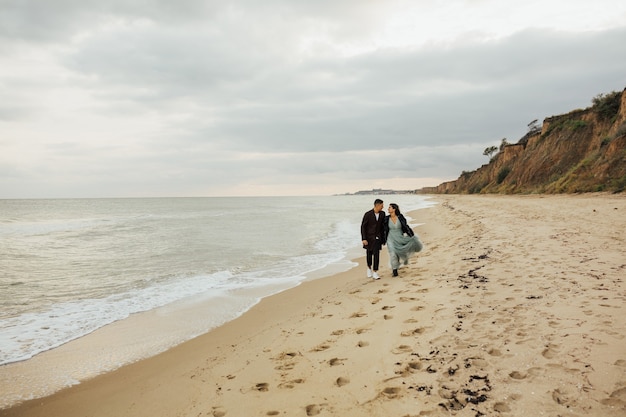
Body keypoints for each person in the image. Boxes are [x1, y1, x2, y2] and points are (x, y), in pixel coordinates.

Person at [384, 203, 423, 277]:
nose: (388, 209)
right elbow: (382, 229)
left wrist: (410, 234)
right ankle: (394, 270)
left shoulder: (400, 217)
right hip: (390, 238)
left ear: (394, 209)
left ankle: (396, 264)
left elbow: (405, 226)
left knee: (398, 253)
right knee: (392, 254)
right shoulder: (386, 218)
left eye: (390, 207)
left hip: (399, 237)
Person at [361, 199, 386, 279]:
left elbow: (384, 226)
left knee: (376, 255)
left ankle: (375, 271)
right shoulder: (368, 214)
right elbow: (363, 227)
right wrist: (364, 238)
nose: (383, 207)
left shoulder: (382, 214)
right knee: (369, 254)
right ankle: (369, 268)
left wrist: (384, 238)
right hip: (368, 238)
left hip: (378, 238)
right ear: (377, 205)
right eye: (381, 206)